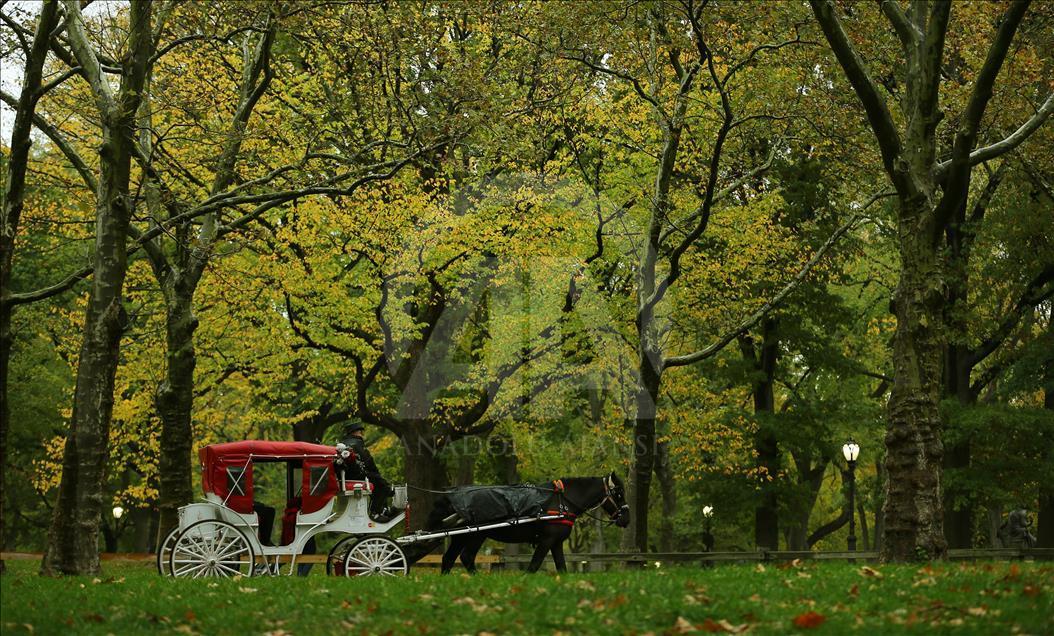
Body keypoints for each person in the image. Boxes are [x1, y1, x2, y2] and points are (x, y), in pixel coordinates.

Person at [341, 422, 396, 521]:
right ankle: (376, 513)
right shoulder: (356, 443)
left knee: (378, 481)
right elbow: (368, 461)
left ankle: (383, 509)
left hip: (349, 476)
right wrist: (377, 473)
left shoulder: (345, 443)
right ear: (354, 433)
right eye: (360, 432)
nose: (361, 434)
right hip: (357, 476)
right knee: (382, 484)